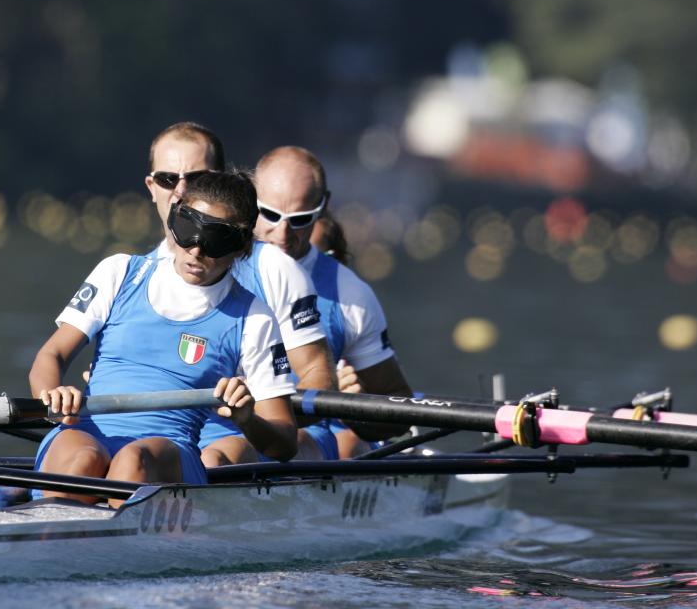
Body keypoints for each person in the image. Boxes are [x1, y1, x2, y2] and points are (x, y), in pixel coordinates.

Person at [30, 170, 298, 504]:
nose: (196, 250)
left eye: (215, 240)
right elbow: (50, 357)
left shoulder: (254, 317)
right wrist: (52, 394)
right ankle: (50, 536)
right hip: (87, 432)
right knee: (82, 460)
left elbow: (284, 444)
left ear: (241, 247)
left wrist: (247, 419)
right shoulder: (120, 272)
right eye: (188, 229)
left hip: (169, 453)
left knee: (133, 460)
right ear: (173, 220)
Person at [143, 122, 339, 465]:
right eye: (168, 179)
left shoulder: (276, 268)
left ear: (221, 182)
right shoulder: (132, 272)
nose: (180, 191)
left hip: (241, 438)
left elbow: (318, 377)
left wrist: (262, 409)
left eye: (197, 178)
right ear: (152, 185)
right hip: (158, 434)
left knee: (210, 460)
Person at [202, 146, 413, 462]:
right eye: (269, 215)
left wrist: (354, 410)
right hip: (203, 429)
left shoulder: (350, 294)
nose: (282, 234)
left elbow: (401, 410)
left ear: (323, 206)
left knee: (342, 445)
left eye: (299, 220)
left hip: (298, 440)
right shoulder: (207, 260)